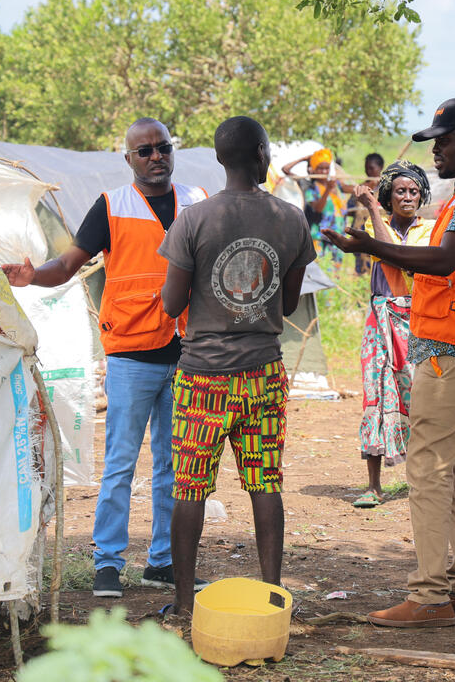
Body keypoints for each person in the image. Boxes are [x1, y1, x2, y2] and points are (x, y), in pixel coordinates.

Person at [322, 95, 455, 628]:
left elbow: (442, 261)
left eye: (444, 139)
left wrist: (370, 246)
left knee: (429, 467)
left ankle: (430, 594)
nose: (435, 150)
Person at [2, 117, 208, 599]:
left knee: (173, 465)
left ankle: (163, 561)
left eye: (163, 148)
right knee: (120, 463)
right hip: (133, 355)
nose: (156, 157)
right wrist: (32, 276)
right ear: (129, 159)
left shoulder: (198, 201)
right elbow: (67, 265)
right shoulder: (111, 206)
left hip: (188, 354)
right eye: (145, 151)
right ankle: (109, 563)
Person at [158, 115, 316, 618]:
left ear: (220, 159)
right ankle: (273, 596)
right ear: (264, 155)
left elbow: (170, 303)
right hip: (263, 372)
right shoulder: (290, 219)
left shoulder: (194, 220)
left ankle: (184, 603)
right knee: (265, 483)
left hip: (203, 375)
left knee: (190, 487)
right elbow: (288, 306)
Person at [352, 159, 434, 508]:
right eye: (400, 191)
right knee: (376, 394)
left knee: (420, 397)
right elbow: (382, 251)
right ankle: (374, 485)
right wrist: (373, 212)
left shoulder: (430, 231)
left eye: (414, 191)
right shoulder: (374, 226)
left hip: (416, 320)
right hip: (380, 319)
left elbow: (398, 259)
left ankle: (423, 481)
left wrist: (370, 206)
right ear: (388, 196)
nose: (407, 197)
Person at [283, 147, 351, 263]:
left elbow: (351, 189)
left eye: (326, 168)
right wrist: (305, 158)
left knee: (334, 275)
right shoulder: (310, 187)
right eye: (320, 168)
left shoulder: (336, 184)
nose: (324, 172)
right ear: (313, 169)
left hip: (338, 239)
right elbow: (318, 209)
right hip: (319, 238)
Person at [352, 153, 387, 275]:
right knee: (362, 266)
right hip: (361, 230)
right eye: (366, 168)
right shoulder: (361, 188)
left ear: (380, 167)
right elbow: (350, 209)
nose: (368, 172)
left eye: (372, 168)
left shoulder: (385, 189)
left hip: (378, 232)